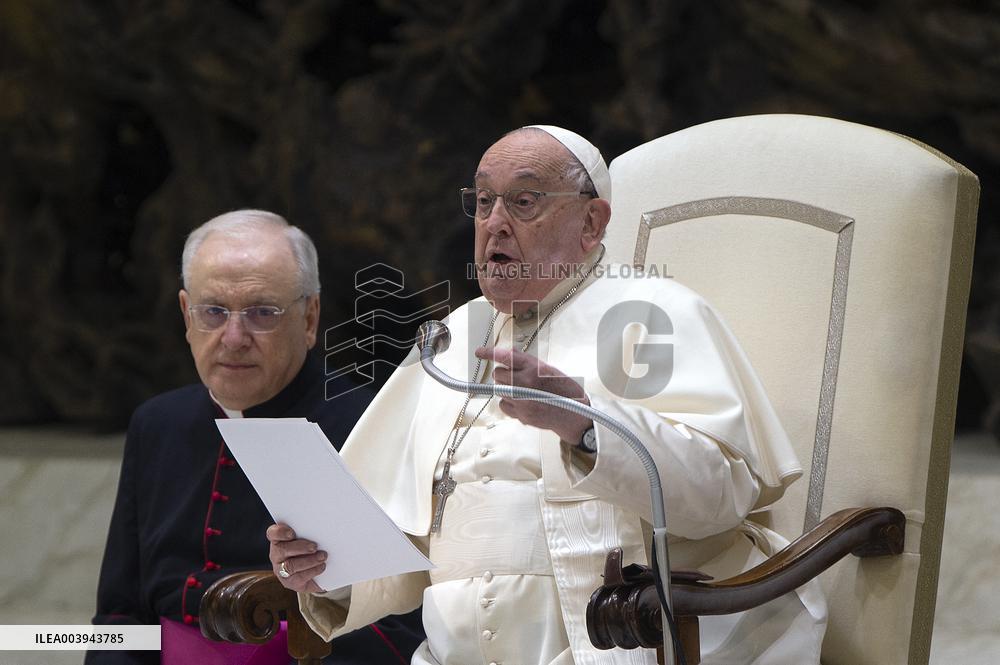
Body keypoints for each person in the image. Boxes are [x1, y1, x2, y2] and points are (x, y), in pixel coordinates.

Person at [268, 128, 827, 664]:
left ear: (592, 221)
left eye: (525, 201)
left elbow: (718, 495)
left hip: (620, 645)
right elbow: (407, 542)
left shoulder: (650, 317)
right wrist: (328, 568)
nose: (496, 224)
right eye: (484, 201)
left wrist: (584, 424)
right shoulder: (454, 335)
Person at [88, 210, 423, 664]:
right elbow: (119, 618)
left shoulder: (371, 424)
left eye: (262, 312)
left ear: (309, 318)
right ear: (187, 315)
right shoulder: (157, 423)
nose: (233, 337)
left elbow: (398, 628)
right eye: (213, 311)